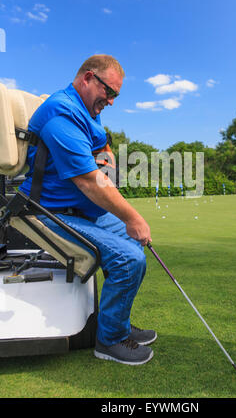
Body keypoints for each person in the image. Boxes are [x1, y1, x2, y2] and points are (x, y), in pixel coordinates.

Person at [19, 54, 156, 365]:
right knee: (129, 257)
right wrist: (133, 217)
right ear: (87, 79)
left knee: (134, 247)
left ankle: (115, 323)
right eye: (109, 92)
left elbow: (100, 141)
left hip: (79, 209)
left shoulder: (86, 111)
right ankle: (109, 341)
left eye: (116, 95)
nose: (111, 101)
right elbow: (90, 183)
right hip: (51, 212)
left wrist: (106, 155)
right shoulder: (61, 115)